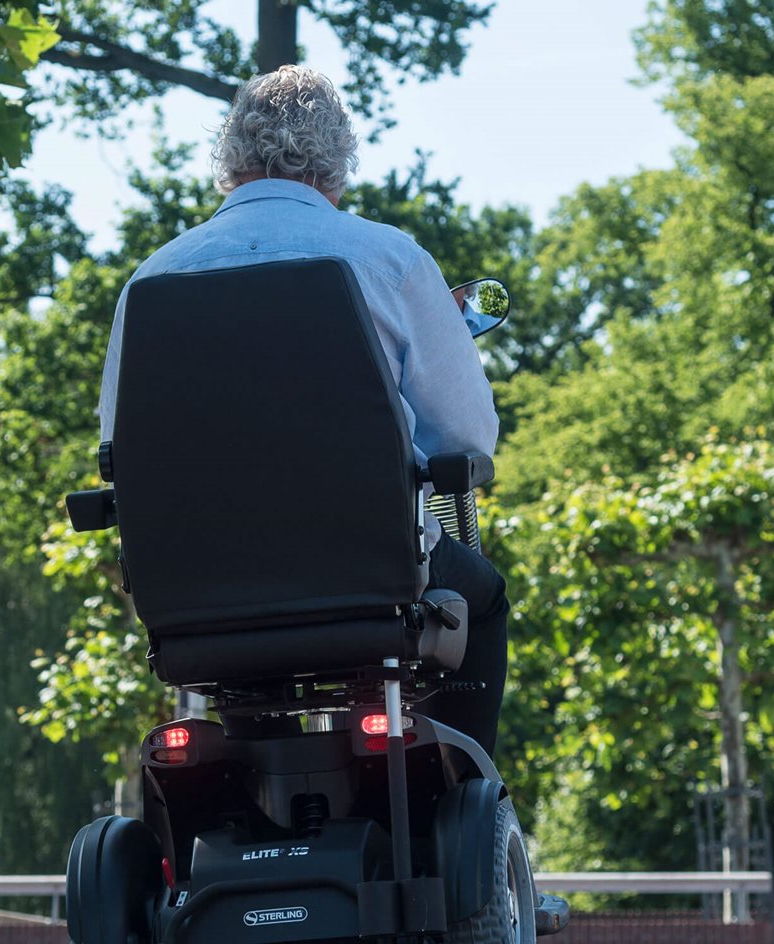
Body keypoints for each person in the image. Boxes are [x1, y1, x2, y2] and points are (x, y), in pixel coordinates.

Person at [95, 66, 511, 757]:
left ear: (228, 159)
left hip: (199, 598)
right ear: (338, 159)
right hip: (374, 583)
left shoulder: (151, 280)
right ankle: (460, 793)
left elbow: (118, 446)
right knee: (483, 600)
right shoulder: (390, 260)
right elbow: (467, 437)